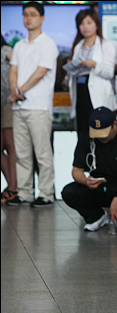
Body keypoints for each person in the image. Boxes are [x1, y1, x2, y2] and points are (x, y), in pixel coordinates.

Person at [6, 1, 58, 207]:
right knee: (22, 153)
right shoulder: (19, 45)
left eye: (33, 14)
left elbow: (41, 72)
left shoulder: (48, 43)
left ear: (42, 18)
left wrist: (21, 90)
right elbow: (13, 71)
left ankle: (46, 193)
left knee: (42, 153)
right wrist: (14, 90)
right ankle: (25, 192)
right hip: (19, 106)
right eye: (25, 14)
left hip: (38, 106)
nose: (28, 18)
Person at [62, 107, 117, 232]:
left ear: (114, 125)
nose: (101, 138)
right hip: (98, 186)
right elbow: (76, 170)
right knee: (69, 192)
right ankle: (96, 217)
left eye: (104, 133)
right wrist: (86, 181)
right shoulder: (86, 137)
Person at [67, 9, 117, 136]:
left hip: (97, 93)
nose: (85, 27)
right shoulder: (78, 45)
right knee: (83, 131)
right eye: (82, 24)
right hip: (80, 90)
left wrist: (94, 64)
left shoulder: (106, 44)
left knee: (99, 131)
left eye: (89, 23)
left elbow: (109, 73)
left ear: (96, 24)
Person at [1, 35, 17, 204]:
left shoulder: (5, 50)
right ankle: (12, 185)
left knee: (11, 145)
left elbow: (19, 65)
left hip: (7, 102)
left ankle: (13, 187)